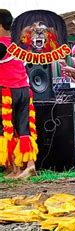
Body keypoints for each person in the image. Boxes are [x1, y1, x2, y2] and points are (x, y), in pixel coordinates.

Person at [0, 9, 38, 179]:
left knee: (7, 129)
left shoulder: (1, 45)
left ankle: (15, 169)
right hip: (24, 90)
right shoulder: (18, 44)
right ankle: (29, 165)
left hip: (7, 92)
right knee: (23, 129)